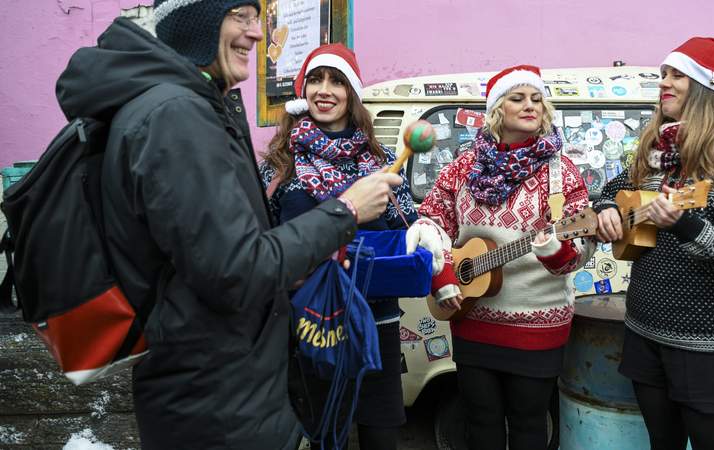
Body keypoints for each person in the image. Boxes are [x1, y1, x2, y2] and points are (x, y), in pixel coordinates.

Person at [54, 3, 402, 449]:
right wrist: (346, 210)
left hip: (229, 389)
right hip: (217, 403)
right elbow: (236, 270)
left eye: (256, 18)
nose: (257, 34)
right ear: (194, 19)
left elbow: (223, 253)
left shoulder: (186, 107)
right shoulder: (176, 116)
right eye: (240, 14)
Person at [260, 44, 446, 450]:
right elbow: (261, 241)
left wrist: (424, 232)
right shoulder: (279, 165)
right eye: (316, 79)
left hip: (374, 320)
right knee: (325, 434)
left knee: (381, 434)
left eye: (337, 81)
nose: (324, 90)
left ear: (351, 94)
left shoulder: (376, 162)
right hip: (310, 320)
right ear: (302, 90)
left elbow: (405, 222)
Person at [594, 37, 714, 450]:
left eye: (678, 75)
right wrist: (606, 207)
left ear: (707, 89)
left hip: (712, 344)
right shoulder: (655, 151)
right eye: (663, 75)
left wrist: (687, 226)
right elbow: (616, 187)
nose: (665, 84)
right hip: (646, 330)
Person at [408, 65, 595, 450]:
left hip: (537, 325)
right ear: (497, 110)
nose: (530, 106)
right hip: (472, 316)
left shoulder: (561, 173)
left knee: (529, 426)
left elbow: (579, 254)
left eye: (536, 98)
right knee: (481, 423)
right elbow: (430, 221)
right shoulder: (464, 167)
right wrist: (442, 275)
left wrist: (553, 247)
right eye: (518, 98)